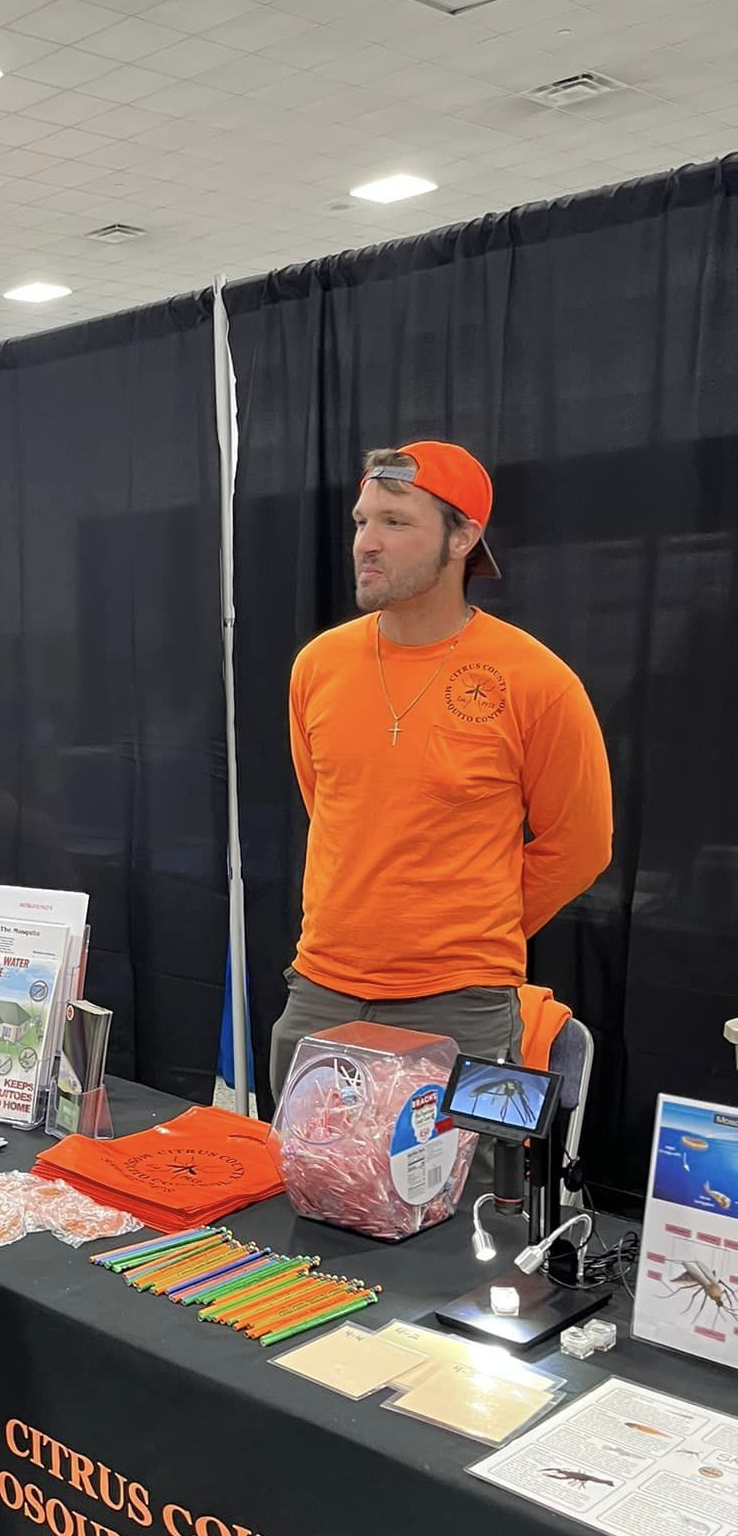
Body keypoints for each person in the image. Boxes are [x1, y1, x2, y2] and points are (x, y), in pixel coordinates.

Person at [271, 441, 613, 1095]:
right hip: (319, 989)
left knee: (451, 1198)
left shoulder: (536, 680)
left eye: (395, 523)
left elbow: (581, 847)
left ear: (463, 538)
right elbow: (334, 811)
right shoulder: (318, 666)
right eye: (362, 521)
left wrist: (467, 927)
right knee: (305, 1191)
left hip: (459, 1006)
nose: (367, 542)